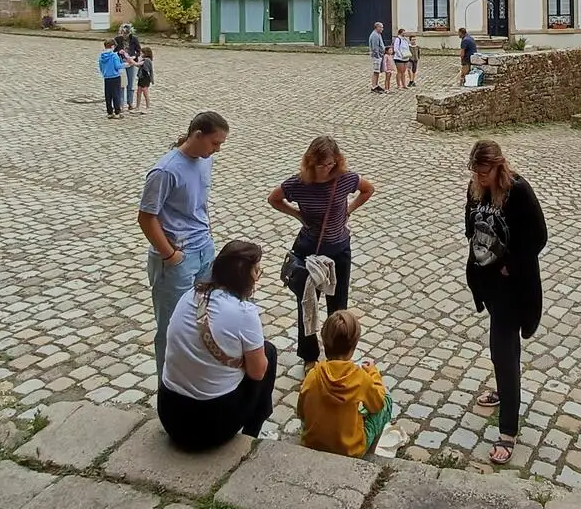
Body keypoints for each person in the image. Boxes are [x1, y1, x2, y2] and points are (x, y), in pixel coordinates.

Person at [465, 139, 547, 465]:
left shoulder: (518, 190)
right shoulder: (475, 189)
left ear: (498, 167)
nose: (479, 179)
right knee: (500, 349)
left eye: (484, 173)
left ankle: (508, 431)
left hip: (513, 286)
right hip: (488, 283)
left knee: (504, 348)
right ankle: (503, 391)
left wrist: (508, 263)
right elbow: (470, 227)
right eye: (475, 173)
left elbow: (538, 237)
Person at [157, 240, 277, 451]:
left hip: (170, 413)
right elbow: (257, 372)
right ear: (246, 278)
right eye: (257, 271)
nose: (258, 277)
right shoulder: (244, 313)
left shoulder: (189, 296)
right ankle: (252, 432)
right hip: (212, 425)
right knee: (268, 353)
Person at [267, 136, 374, 369]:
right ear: (310, 162)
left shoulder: (345, 179)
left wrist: (349, 210)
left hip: (339, 251)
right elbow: (274, 198)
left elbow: (367, 190)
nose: (327, 169)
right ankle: (309, 356)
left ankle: (338, 354)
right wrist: (296, 214)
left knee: (338, 304)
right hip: (310, 252)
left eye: (331, 164)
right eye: (321, 165)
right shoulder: (298, 184)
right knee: (307, 305)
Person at [138, 110, 230, 379]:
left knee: (203, 319)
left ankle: (194, 376)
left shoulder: (204, 161)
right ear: (197, 135)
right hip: (177, 259)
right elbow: (146, 217)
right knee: (171, 327)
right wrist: (169, 255)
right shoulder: (165, 170)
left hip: (204, 252)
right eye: (215, 143)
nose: (218, 150)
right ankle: (168, 388)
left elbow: (199, 205)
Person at [299, 309, 394, 458]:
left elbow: (301, 412)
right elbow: (378, 405)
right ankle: (368, 455)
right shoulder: (361, 378)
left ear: (324, 342)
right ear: (353, 347)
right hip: (349, 449)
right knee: (386, 400)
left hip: (313, 442)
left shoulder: (313, 374)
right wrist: (374, 374)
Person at [99, 40, 126, 119]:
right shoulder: (114, 55)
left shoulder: (101, 56)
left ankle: (110, 112)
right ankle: (117, 112)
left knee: (108, 95)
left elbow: (100, 66)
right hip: (115, 77)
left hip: (107, 77)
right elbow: (117, 66)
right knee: (116, 95)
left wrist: (104, 72)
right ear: (112, 46)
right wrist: (125, 64)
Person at [120, 23, 143, 112]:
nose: (124, 35)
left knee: (131, 83)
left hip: (131, 62)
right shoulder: (118, 39)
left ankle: (130, 103)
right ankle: (121, 104)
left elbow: (139, 51)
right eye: (123, 33)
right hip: (121, 63)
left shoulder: (134, 39)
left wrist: (133, 57)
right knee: (122, 84)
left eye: (126, 33)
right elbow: (115, 50)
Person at [368, 22, 386, 93]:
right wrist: (378, 56)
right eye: (381, 27)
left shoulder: (378, 34)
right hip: (376, 56)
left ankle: (376, 85)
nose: (382, 29)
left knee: (378, 71)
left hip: (379, 56)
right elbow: (375, 47)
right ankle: (373, 86)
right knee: (376, 71)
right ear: (377, 27)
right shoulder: (375, 35)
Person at [136, 46, 155, 112]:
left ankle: (148, 107)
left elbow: (138, 64)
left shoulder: (146, 60)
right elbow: (138, 65)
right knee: (138, 92)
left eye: (142, 53)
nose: (141, 54)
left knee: (145, 92)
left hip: (146, 78)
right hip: (141, 77)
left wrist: (131, 60)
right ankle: (137, 107)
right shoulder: (143, 60)